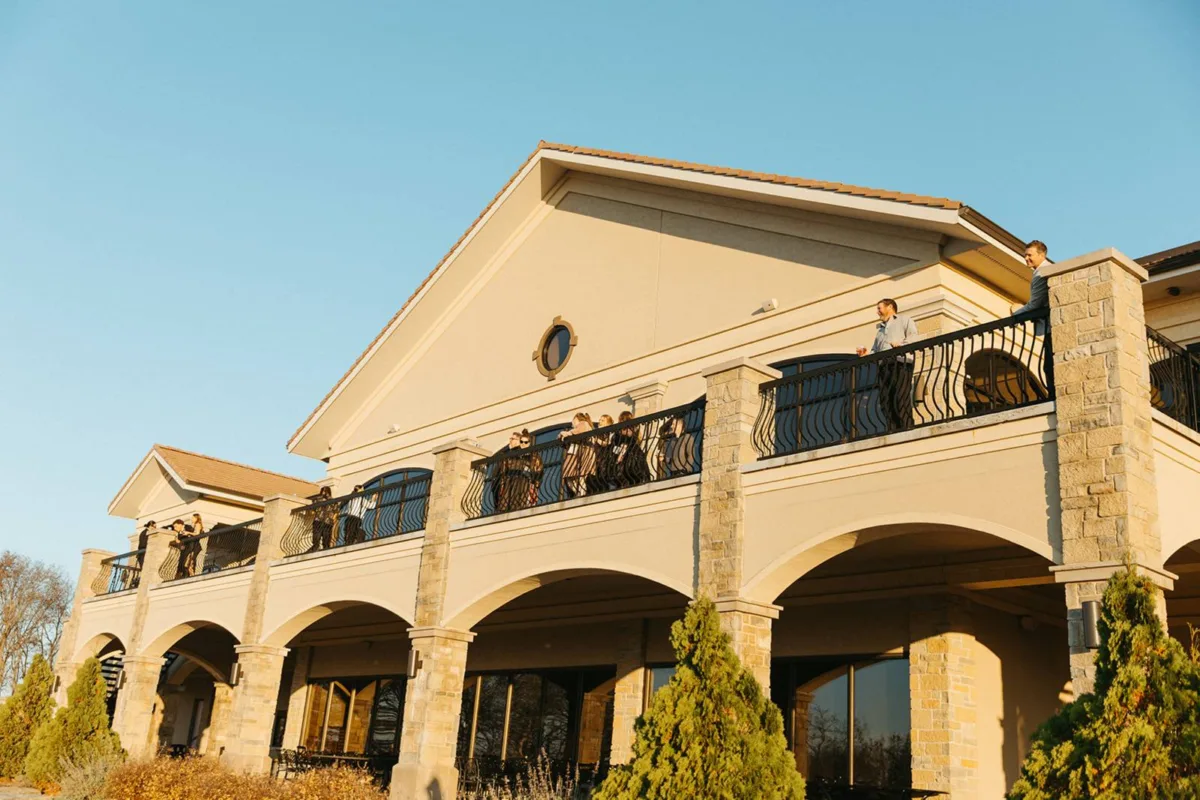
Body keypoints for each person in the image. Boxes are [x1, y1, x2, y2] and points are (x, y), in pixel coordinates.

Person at [856, 298, 918, 432]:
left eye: (879, 308)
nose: (877, 311)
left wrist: (900, 345)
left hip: (900, 363)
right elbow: (875, 351)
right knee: (885, 399)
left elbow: (913, 337)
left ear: (890, 307)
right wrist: (866, 355)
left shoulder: (904, 320)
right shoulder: (880, 331)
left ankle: (906, 427)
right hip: (884, 366)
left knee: (900, 396)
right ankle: (893, 429)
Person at [559, 412, 596, 499]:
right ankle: (579, 494)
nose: (571, 423)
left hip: (582, 454)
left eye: (572, 420)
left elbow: (579, 431)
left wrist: (567, 433)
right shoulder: (578, 427)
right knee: (571, 477)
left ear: (576, 418)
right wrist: (563, 435)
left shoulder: (583, 423)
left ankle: (581, 494)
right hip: (576, 455)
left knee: (580, 477)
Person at [1011, 240, 1049, 316]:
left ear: (1041, 255)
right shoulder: (1044, 270)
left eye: (1029, 255)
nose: (1026, 258)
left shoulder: (1041, 272)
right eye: (1025, 255)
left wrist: (1014, 316)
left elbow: (1034, 305)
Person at [613, 411, 651, 487]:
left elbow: (617, 447)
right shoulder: (632, 430)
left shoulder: (620, 432)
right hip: (631, 457)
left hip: (629, 458)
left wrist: (619, 456)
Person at [589, 414, 618, 493]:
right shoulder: (598, 433)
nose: (600, 422)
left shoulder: (610, 433)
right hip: (598, 461)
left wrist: (596, 440)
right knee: (597, 481)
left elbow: (607, 443)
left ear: (608, 423)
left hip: (606, 460)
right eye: (599, 420)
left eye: (602, 420)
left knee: (606, 480)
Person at [311, 486, 336, 551]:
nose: (324, 493)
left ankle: (326, 549)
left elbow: (336, 510)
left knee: (326, 537)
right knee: (316, 536)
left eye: (326, 491)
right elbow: (313, 509)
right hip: (318, 520)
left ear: (329, 492)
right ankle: (316, 548)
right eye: (323, 491)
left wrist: (333, 518)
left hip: (328, 521)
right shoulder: (318, 499)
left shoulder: (333, 500)